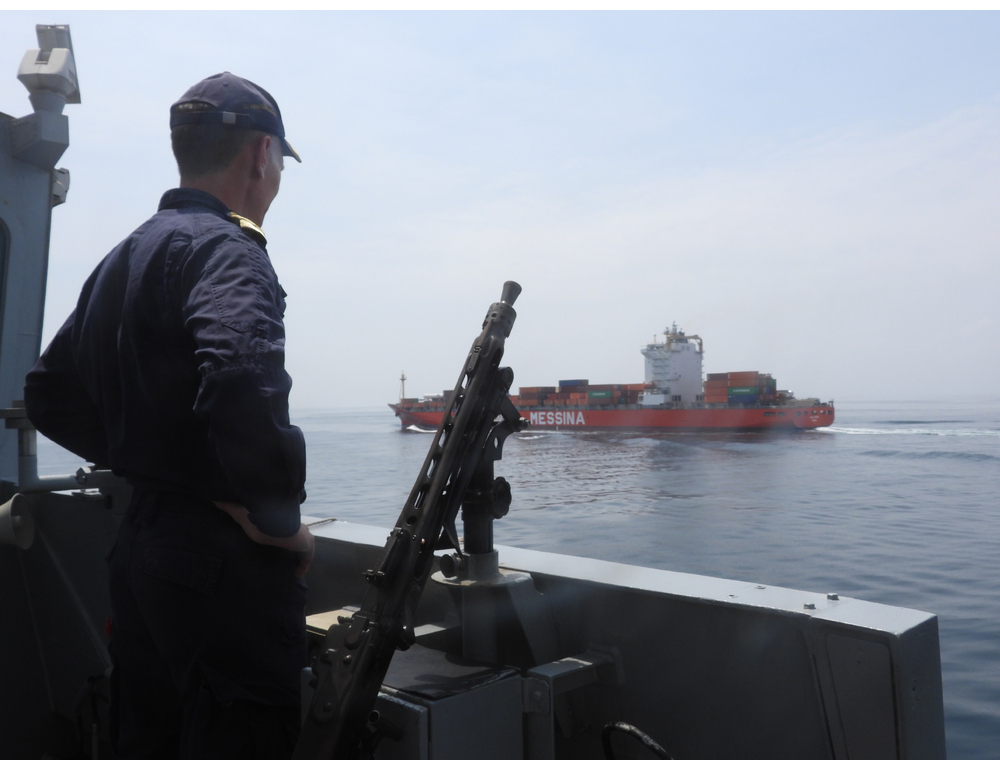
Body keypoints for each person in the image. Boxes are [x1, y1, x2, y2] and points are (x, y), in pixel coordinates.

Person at [23, 72, 313, 758]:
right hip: (218, 569)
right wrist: (275, 521)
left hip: (141, 554)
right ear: (261, 155)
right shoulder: (229, 252)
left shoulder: (126, 254)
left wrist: (154, 460)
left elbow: (49, 394)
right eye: (278, 161)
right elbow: (239, 375)